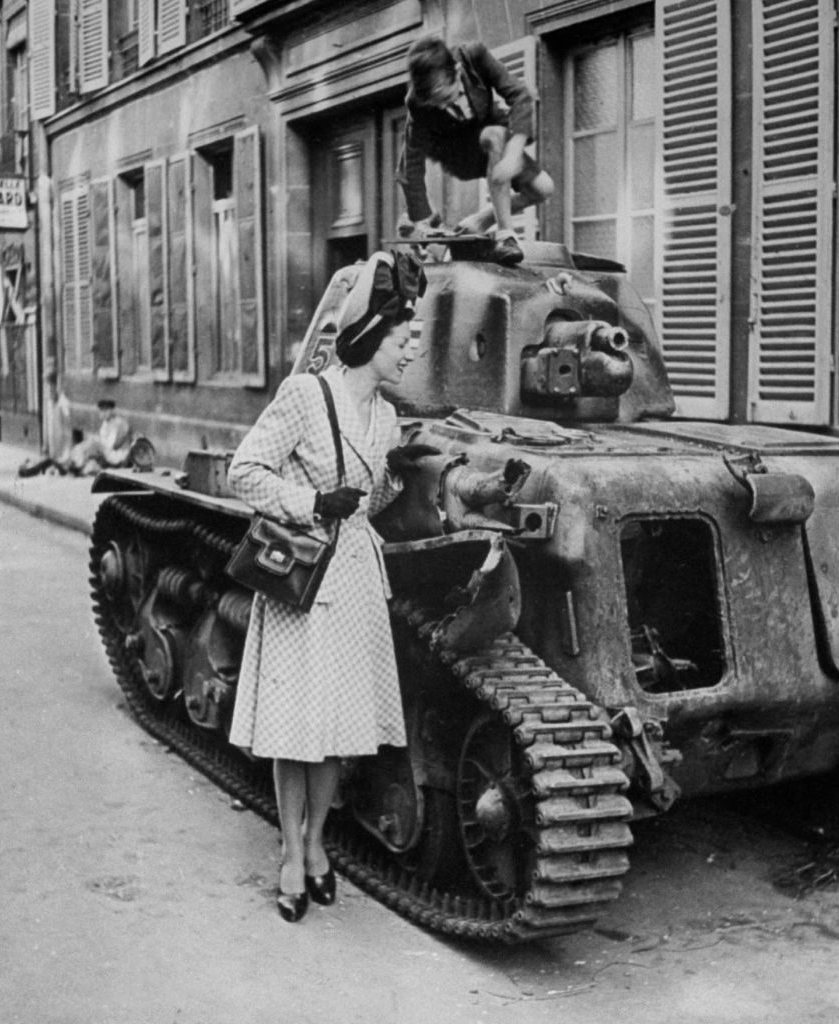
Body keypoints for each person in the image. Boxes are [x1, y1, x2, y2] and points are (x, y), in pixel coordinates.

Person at [226, 251, 437, 924]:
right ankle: (291, 851)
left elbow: (366, 506)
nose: (412, 350)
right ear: (374, 332)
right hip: (303, 578)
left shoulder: (385, 418)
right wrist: (311, 502)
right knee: (294, 731)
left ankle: (317, 844)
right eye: (406, 338)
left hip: (352, 580)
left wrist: (393, 483)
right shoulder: (306, 396)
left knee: (334, 731)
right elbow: (243, 472)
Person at [397, 35, 555, 267]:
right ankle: (506, 235)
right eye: (436, 104)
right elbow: (410, 160)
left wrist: (513, 153)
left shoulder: (474, 56)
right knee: (495, 135)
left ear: (458, 71)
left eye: (447, 98)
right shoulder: (416, 101)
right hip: (457, 152)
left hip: (491, 135)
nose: (443, 107)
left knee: (544, 189)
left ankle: (484, 217)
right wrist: (421, 220)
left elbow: (521, 95)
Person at [19, 395, 130, 478]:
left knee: (90, 444)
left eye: (105, 410)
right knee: (82, 446)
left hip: (112, 454)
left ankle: (65, 463)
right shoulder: (106, 423)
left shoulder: (118, 423)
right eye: (101, 410)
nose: (102, 413)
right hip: (102, 450)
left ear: (111, 410)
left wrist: (96, 441)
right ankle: (62, 462)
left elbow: (111, 445)